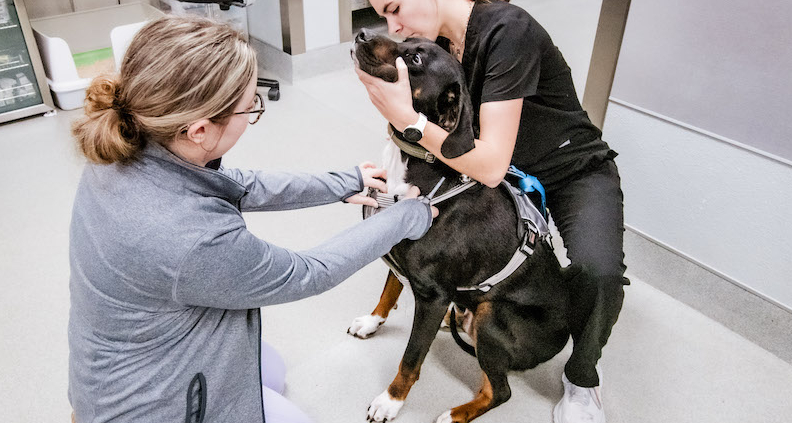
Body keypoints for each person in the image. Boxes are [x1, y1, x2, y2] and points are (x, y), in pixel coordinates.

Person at [67, 16, 437, 423]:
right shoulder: (190, 239)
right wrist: (406, 216)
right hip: (152, 407)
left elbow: (234, 184)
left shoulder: (127, 142)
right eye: (251, 107)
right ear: (200, 130)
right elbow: (307, 273)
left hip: (118, 365)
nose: (253, 113)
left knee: (271, 371)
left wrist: (342, 182)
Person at [356, 1, 628, 422]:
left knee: (598, 269)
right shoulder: (436, 43)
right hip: (497, 172)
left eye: (394, 7)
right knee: (432, 239)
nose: (394, 25)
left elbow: (488, 163)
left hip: (567, 167)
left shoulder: (508, 31)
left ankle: (582, 378)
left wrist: (407, 120)